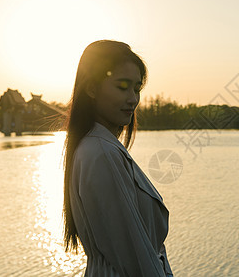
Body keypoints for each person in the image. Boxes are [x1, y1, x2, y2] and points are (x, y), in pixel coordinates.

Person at [63, 40, 173, 276]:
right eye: (122, 87)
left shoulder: (95, 147)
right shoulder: (102, 153)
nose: (133, 99)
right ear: (92, 88)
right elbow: (136, 260)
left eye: (136, 89)